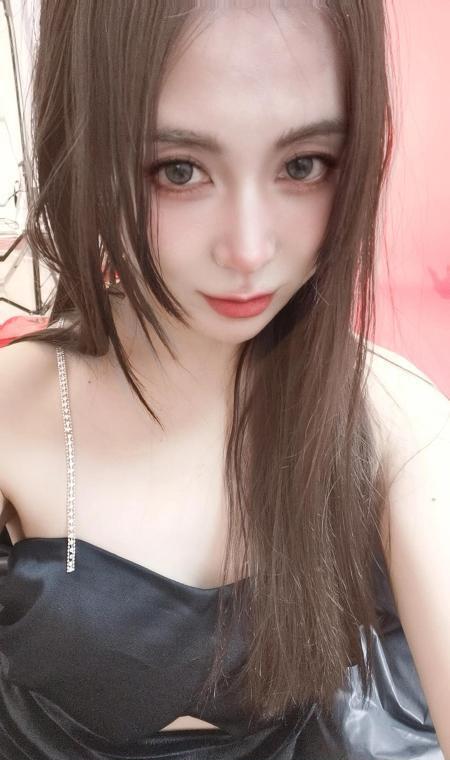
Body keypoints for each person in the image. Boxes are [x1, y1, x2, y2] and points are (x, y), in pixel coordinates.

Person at [0, 1, 448, 758]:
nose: (248, 250)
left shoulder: (393, 424)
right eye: (178, 170)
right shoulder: (18, 408)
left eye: (303, 165)